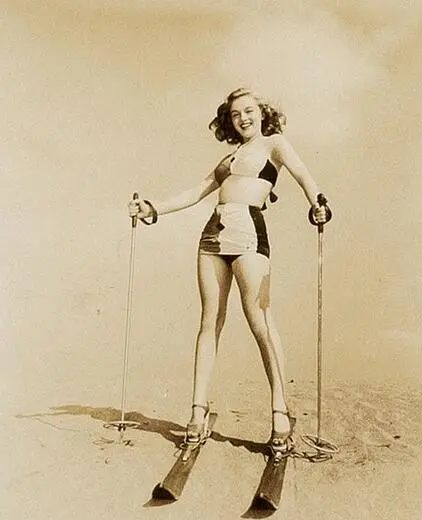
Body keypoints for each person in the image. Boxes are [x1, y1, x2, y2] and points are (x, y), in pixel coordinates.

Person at [129, 87, 331, 456]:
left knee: (260, 321)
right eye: (236, 114)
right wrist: (152, 208)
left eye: (249, 111)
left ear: (262, 113)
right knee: (209, 322)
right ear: (229, 120)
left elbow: (304, 176)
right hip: (212, 235)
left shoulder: (274, 144)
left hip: (249, 232)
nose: (243, 118)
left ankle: (280, 413)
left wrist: (318, 204)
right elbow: (197, 191)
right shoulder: (229, 158)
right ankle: (197, 413)